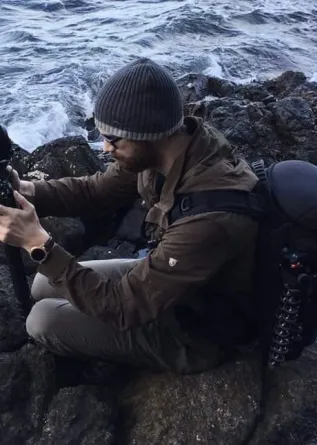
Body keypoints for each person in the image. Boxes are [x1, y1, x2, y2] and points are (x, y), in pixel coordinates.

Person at [0, 58, 260, 374]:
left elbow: (124, 307)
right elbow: (94, 191)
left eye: (113, 139)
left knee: (43, 320)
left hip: (198, 328)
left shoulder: (209, 220)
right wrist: (28, 191)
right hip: (177, 279)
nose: (105, 148)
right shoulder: (176, 145)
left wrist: (38, 244)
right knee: (43, 283)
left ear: (147, 134)